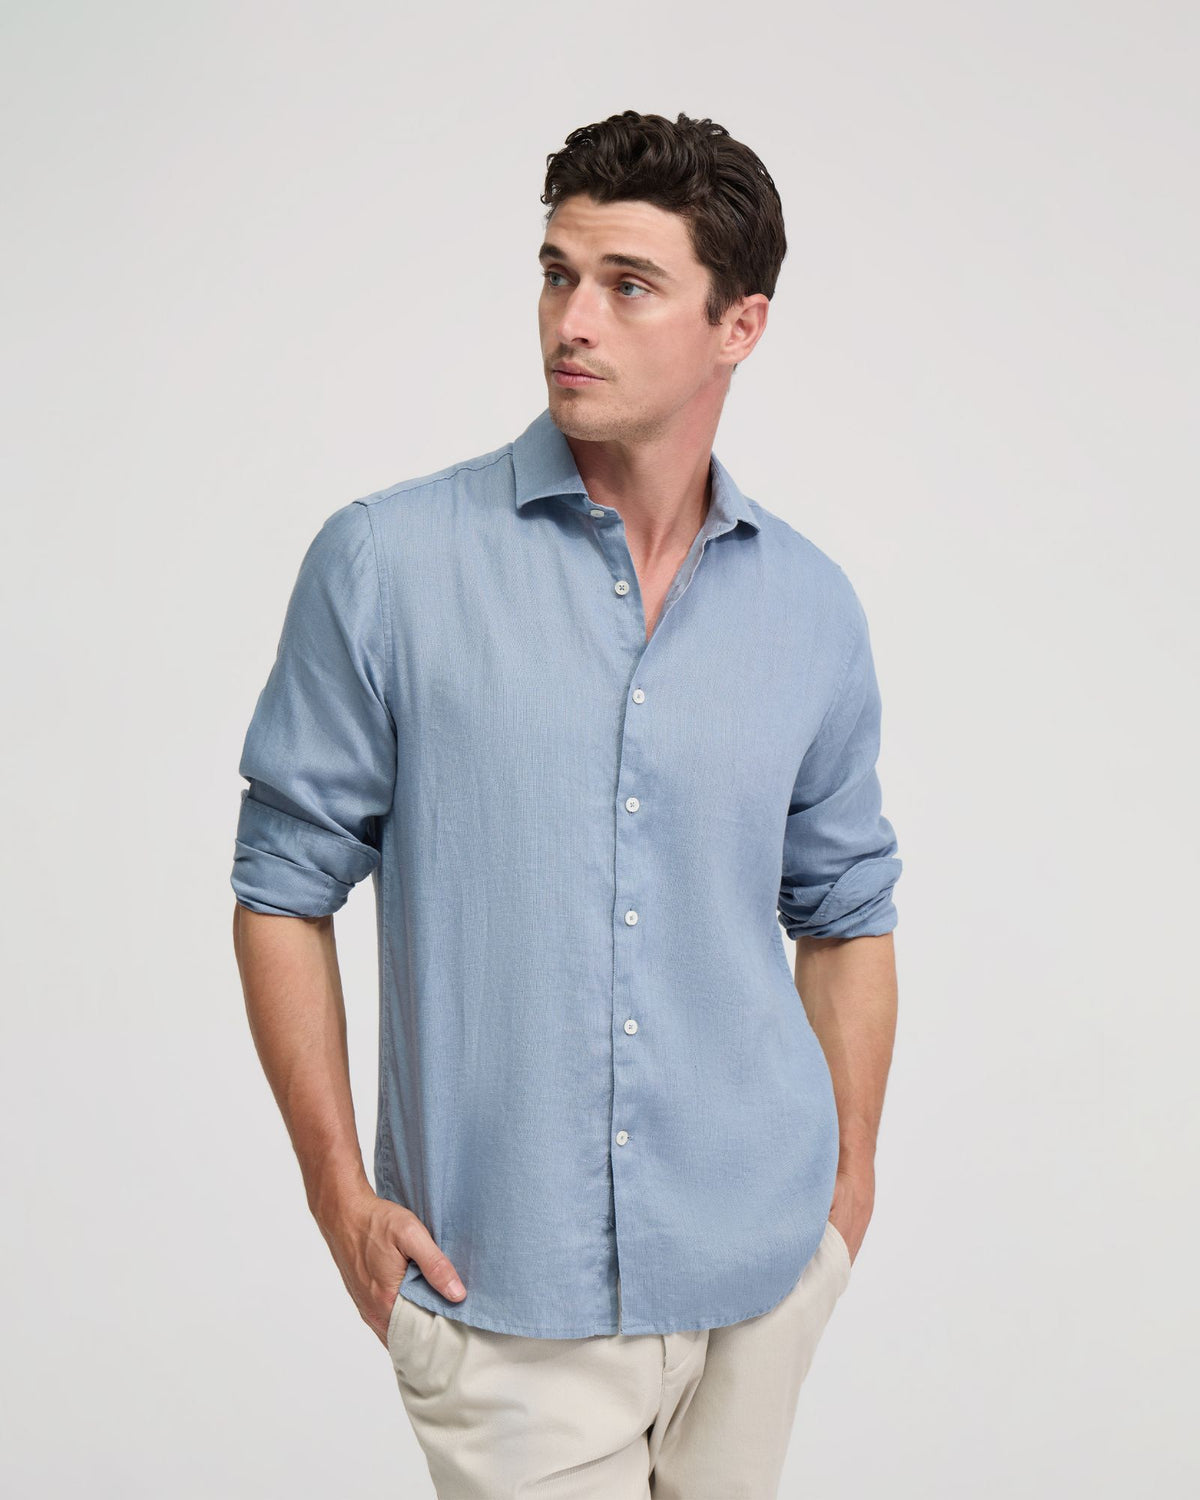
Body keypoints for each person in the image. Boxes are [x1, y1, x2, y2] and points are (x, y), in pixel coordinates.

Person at [230, 108, 902, 1498]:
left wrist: (842, 1202)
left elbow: (846, 913)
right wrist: (339, 1199)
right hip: (500, 1300)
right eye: (557, 274)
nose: (571, 320)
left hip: (760, 1278)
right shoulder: (389, 564)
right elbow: (282, 890)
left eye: (627, 284)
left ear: (739, 325)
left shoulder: (812, 609)